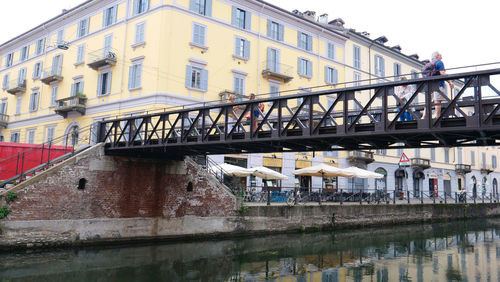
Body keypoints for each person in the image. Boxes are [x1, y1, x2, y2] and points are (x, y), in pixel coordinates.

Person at [431, 51, 454, 118]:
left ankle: (424, 117)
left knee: (429, 101)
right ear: (437, 56)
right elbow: (442, 73)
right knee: (438, 101)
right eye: (440, 54)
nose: (441, 55)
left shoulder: (430, 64)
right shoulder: (439, 62)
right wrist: (450, 82)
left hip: (430, 85)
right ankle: (437, 117)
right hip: (439, 85)